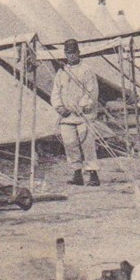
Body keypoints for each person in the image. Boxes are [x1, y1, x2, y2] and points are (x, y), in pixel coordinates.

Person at [50, 40, 102, 187]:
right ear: (65, 54)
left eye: (74, 53)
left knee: (87, 144)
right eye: (68, 53)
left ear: (78, 53)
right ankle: (77, 173)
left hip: (83, 115)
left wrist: (83, 106)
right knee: (70, 144)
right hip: (66, 116)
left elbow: (92, 91)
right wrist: (59, 107)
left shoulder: (86, 70)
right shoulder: (61, 72)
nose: (71, 56)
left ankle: (93, 174)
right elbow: (56, 92)